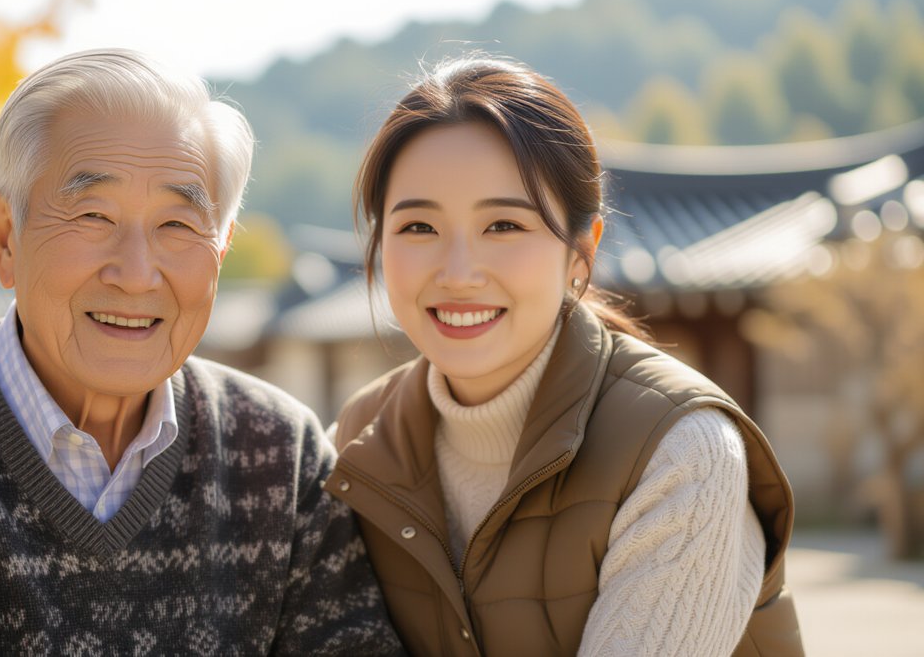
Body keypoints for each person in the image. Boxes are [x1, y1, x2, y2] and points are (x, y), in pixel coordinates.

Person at [0, 48, 402, 655]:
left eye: (177, 225)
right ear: (7, 237)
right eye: (92, 216)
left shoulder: (276, 454)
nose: (136, 273)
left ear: (222, 249)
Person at [324, 56, 803, 656]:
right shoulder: (360, 440)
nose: (458, 274)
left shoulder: (681, 450)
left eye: (503, 225)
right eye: (419, 227)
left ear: (581, 253)